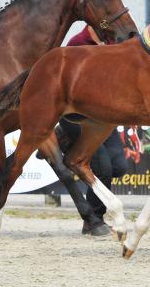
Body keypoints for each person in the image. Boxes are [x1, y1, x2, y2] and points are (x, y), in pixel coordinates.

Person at [59, 25, 129, 236]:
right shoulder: (77, 44)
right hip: (80, 118)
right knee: (103, 169)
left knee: (119, 167)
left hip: (105, 117)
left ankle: (62, 141)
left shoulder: (113, 43)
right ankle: (92, 220)